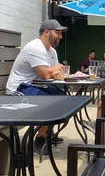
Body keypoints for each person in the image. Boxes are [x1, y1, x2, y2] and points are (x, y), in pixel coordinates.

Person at [6, 19, 68, 153]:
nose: (60, 36)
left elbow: (57, 73)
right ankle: (40, 139)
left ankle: (46, 132)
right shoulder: (35, 47)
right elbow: (46, 74)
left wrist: (55, 70)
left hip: (35, 86)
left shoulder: (52, 51)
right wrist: (56, 68)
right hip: (19, 89)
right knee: (49, 101)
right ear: (46, 32)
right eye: (58, 32)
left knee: (61, 94)